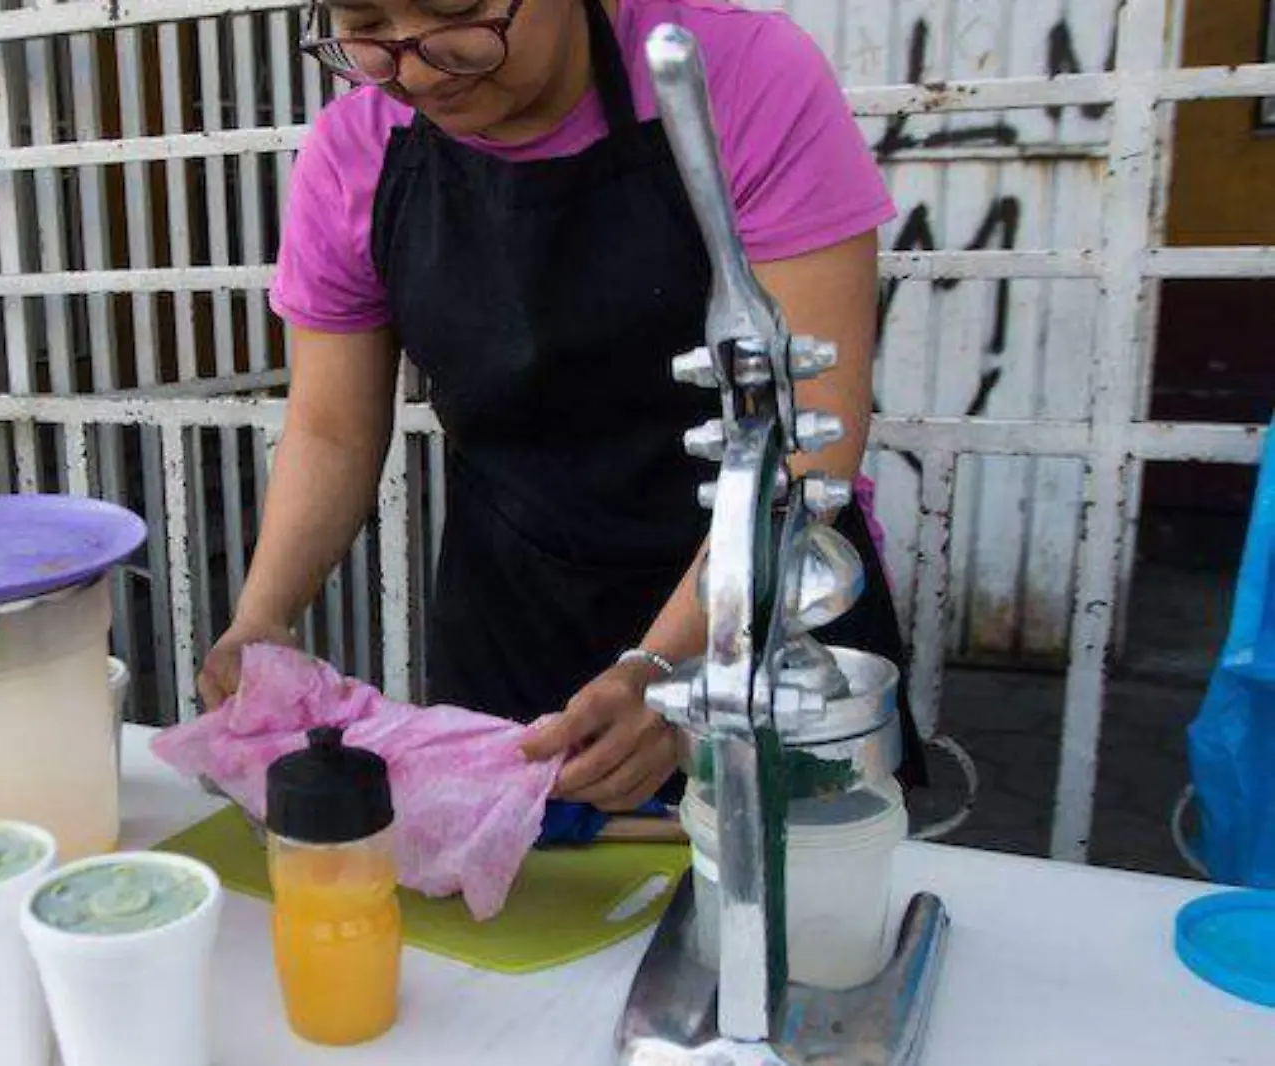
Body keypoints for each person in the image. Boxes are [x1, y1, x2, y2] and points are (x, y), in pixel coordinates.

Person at [196, 0, 928, 824]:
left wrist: (678, 666)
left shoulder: (741, 77)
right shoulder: (356, 150)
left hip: (758, 617)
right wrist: (261, 615)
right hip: (516, 621)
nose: (417, 65)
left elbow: (805, 434)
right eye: (366, 25)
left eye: (457, 14)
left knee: (788, 918)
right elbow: (331, 428)